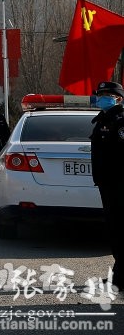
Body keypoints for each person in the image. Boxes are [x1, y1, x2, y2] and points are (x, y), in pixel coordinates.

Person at [90, 81, 124, 287]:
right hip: (107, 183)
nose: (101, 98)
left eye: (106, 95)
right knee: (114, 229)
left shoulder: (120, 121)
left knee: (120, 229)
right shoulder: (103, 119)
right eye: (100, 94)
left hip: (119, 183)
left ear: (118, 98)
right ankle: (119, 275)